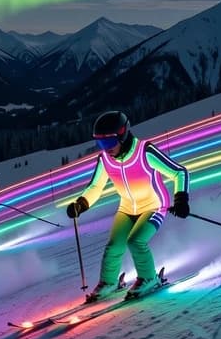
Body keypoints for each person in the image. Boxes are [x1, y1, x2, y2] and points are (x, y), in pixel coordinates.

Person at [66, 111, 190, 301]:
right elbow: (95, 187)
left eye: (108, 142)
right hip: (127, 208)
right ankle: (109, 282)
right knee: (114, 246)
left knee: (135, 241)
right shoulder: (105, 159)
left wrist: (181, 199)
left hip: (154, 205)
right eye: (100, 143)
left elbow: (179, 172)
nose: (105, 149)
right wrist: (80, 204)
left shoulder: (144, 151)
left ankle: (149, 278)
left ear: (122, 135)